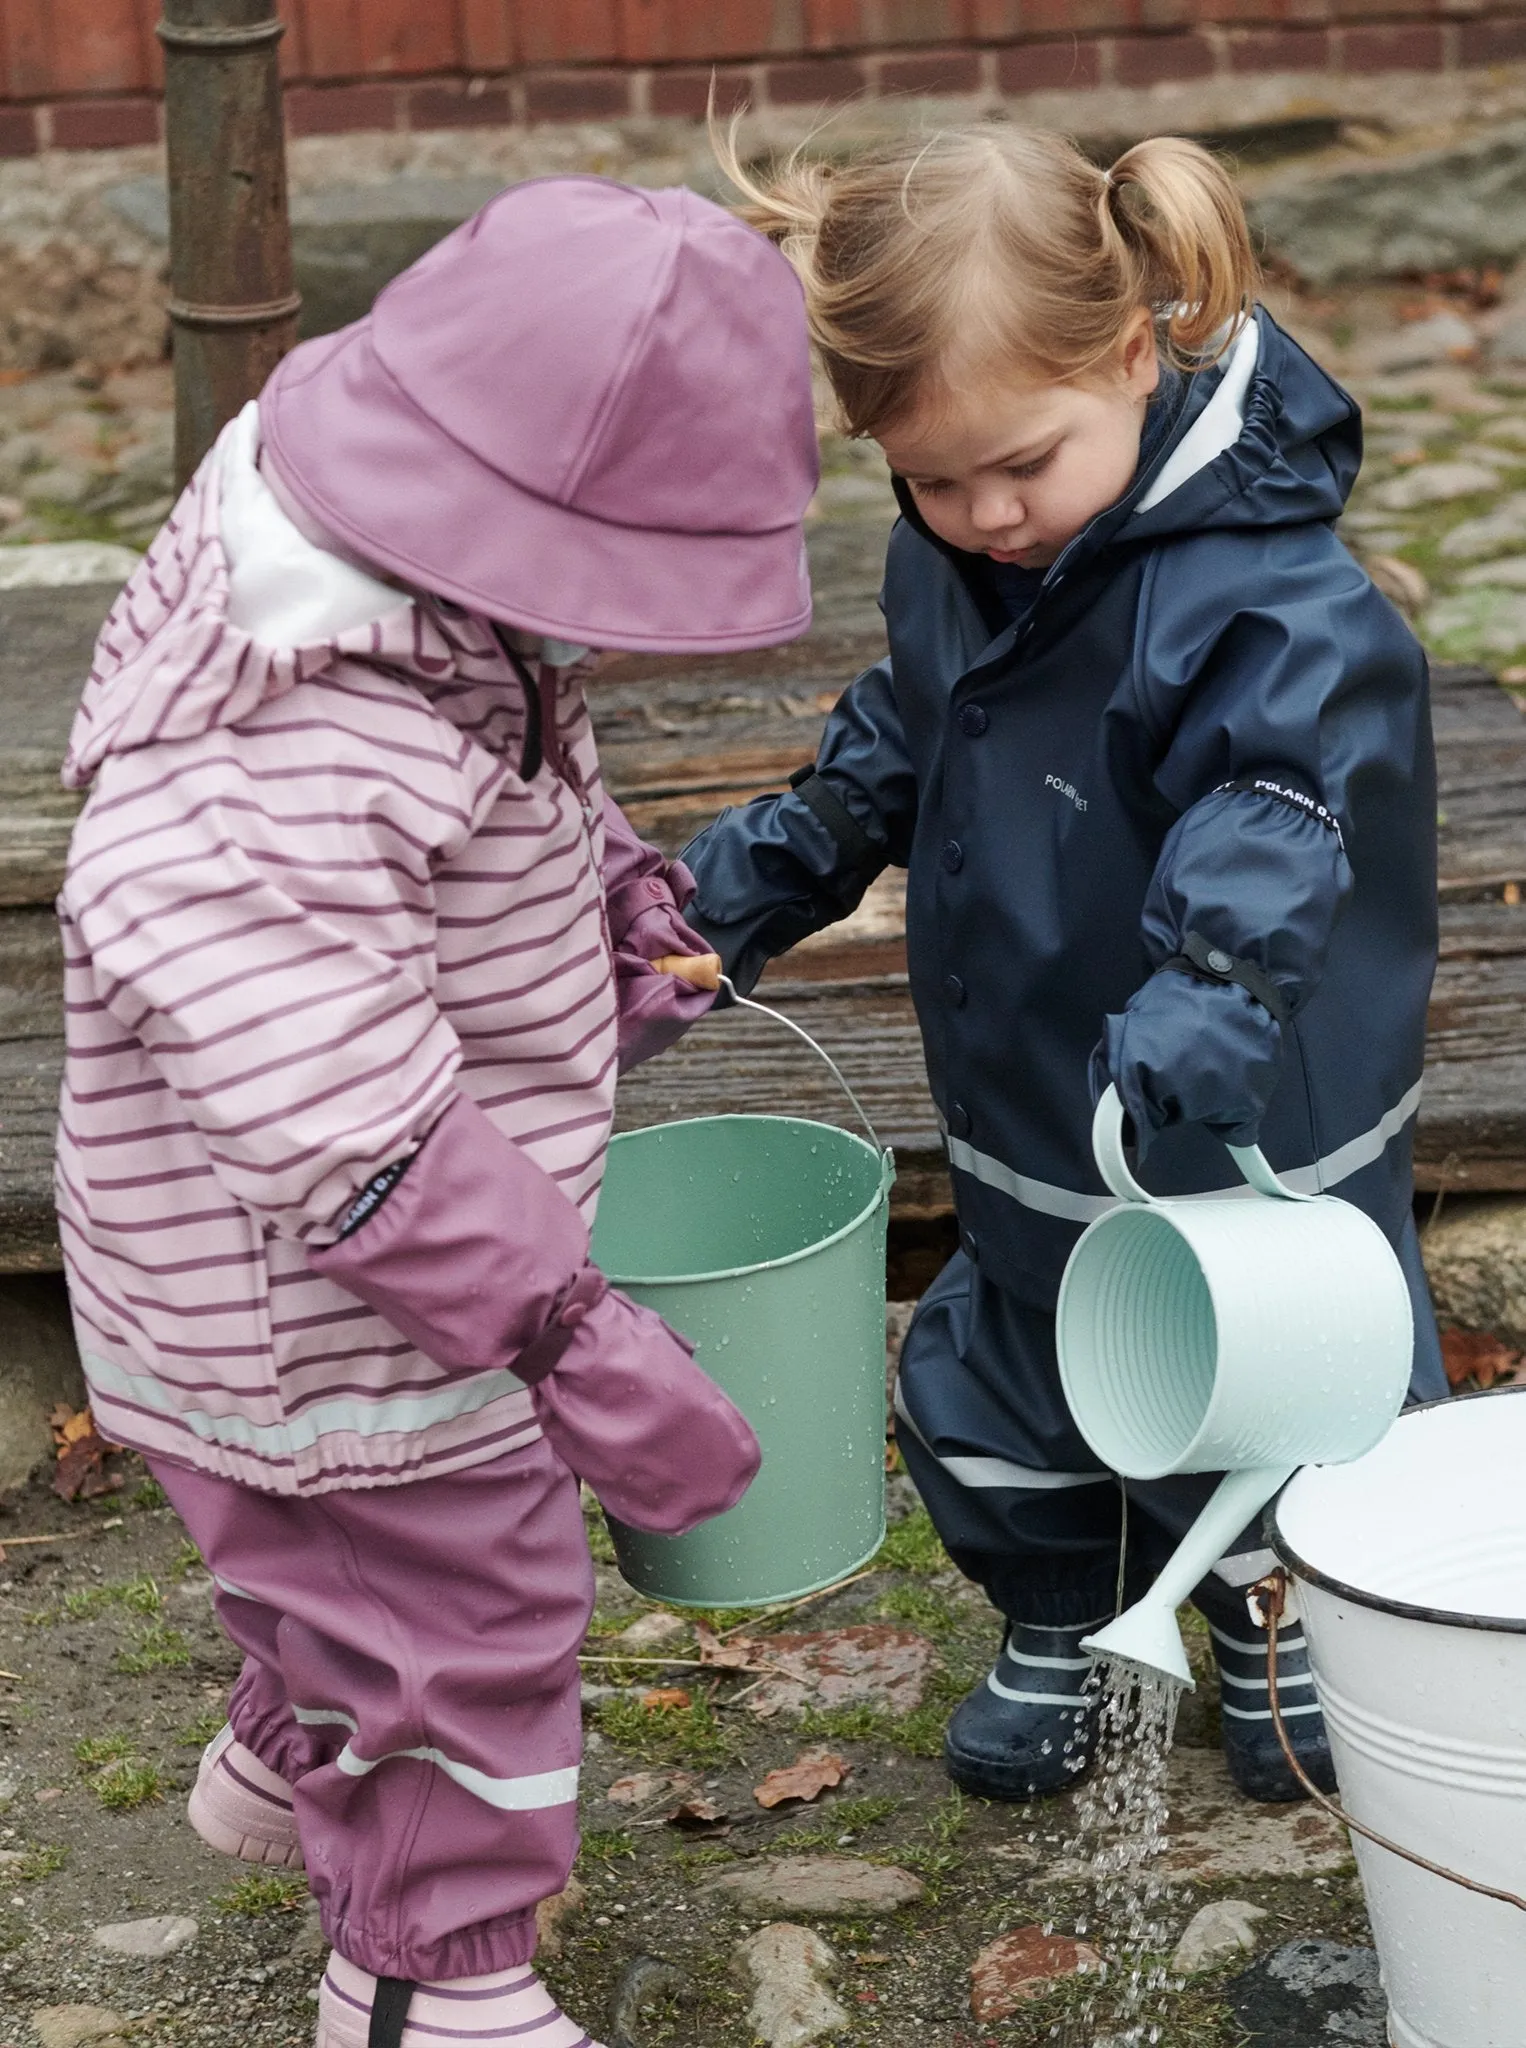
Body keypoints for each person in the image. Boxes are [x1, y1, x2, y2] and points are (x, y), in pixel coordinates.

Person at [54, 177, 817, 2048]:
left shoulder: (401, 574)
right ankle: (424, 1978)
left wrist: (614, 899)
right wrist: (563, 1330)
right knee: (469, 1615)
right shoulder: (286, 747)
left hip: (318, 1291)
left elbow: (521, 772)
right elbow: (331, 1107)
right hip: (322, 1311)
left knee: (340, 1570)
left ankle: (287, 1742)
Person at [681, 124, 1444, 1807]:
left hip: (1232, 1094)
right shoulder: (956, 556)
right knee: (1017, 1367)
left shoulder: (1261, 599)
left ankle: (1273, 1607)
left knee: (1276, 1378)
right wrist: (763, 874)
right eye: (930, 479)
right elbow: (907, 734)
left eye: (1017, 463)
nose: (983, 513)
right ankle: (1068, 1608)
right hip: (1038, 1077)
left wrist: (1217, 986)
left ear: (1123, 352)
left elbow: (1279, 802)